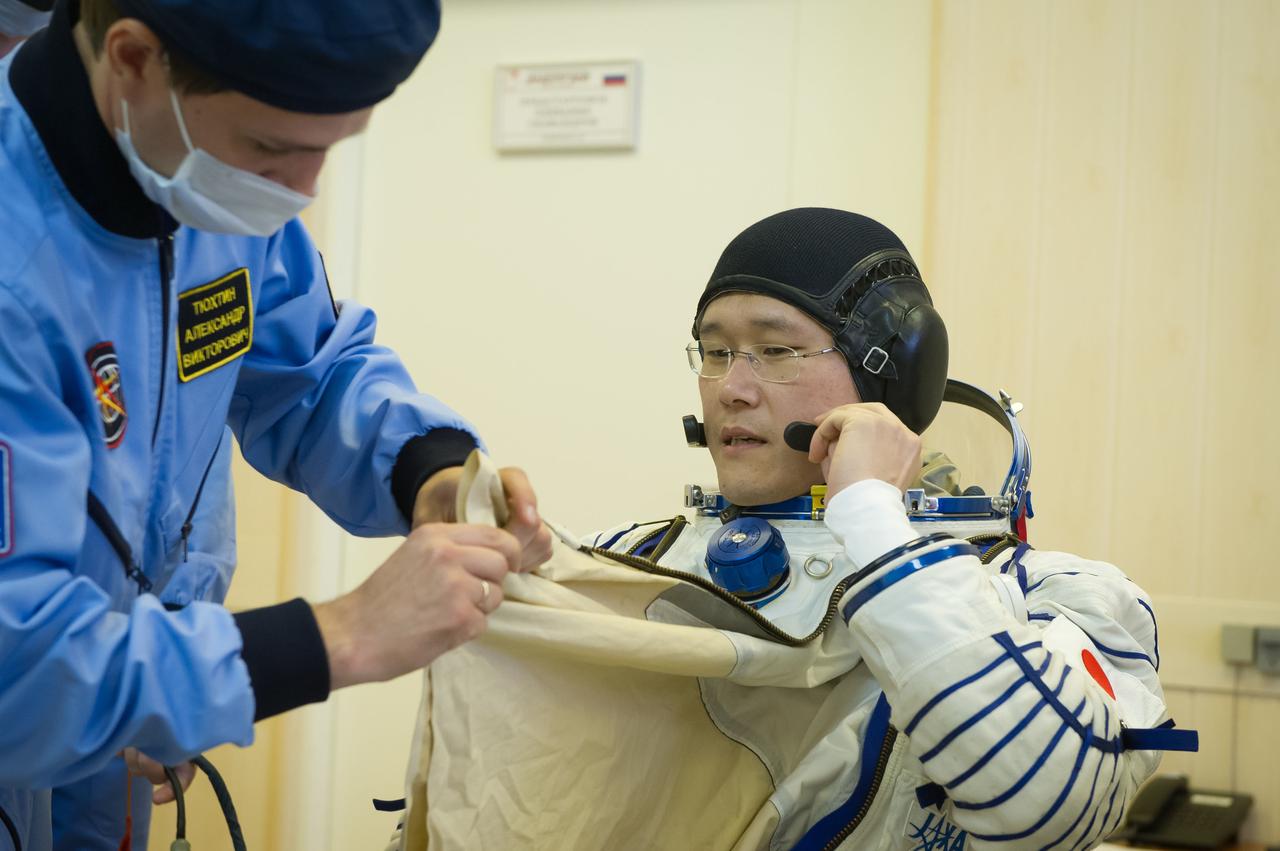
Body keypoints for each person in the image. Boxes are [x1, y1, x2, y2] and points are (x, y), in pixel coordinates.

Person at [0, 1, 552, 849]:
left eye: (330, 149)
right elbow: (21, 673)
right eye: (270, 147)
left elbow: (313, 373)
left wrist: (428, 470)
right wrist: (339, 637)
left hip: (113, 755)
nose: (300, 191)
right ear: (134, 59)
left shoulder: (200, 185)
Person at [588, 208, 1190, 848]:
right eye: (716, 353)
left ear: (888, 375)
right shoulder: (630, 561)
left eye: (776, 351)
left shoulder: (1050, 594)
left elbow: (1050, 804)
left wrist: (870, 515)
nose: (731, 389)